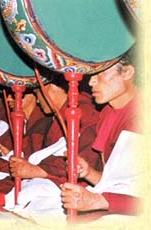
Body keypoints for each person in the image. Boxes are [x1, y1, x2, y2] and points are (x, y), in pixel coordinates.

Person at [3, 73, 100, 222]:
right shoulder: (57, 116)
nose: (38, 102)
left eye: (37, 93)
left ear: (52, 88)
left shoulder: (83, 111)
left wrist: (38, 171)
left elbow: (84, 158)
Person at [60, 47, 142, 221]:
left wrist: (97, 201)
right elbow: (119, 184)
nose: (91, 82)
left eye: (99, 73)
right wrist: (88, 172)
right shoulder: (106, 113)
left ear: (127, 72)